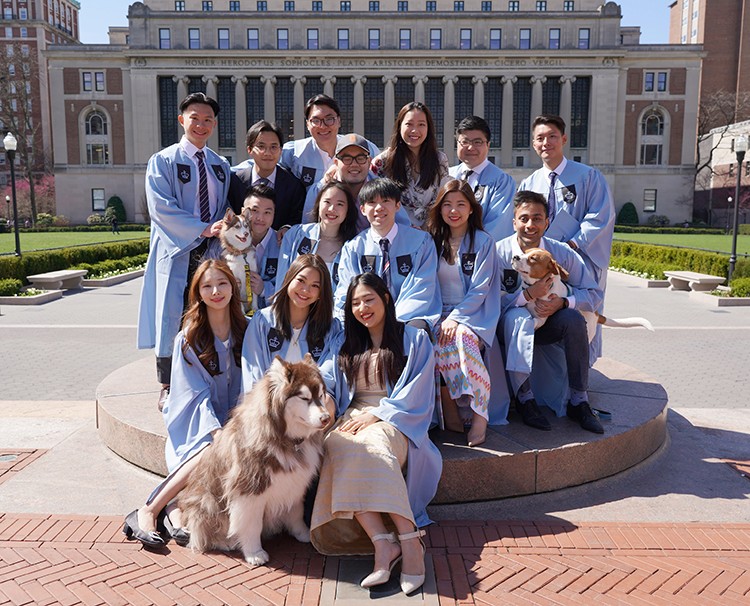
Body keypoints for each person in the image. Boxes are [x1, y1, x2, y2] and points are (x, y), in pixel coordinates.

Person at [311, 273, 441, 596]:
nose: (362, 308)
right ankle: (384, 544)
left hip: (396, 418)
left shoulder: (413, 339)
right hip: (352, 414)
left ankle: (410, 543)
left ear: (385, 297)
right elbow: (327, 382)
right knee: (338, 444)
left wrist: (378, 414)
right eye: (355, 303)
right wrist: (326, 405)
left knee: (375, 443)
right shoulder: (346, 343)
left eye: (368, 299)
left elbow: (418, 393)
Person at [124, 259, 246, 547]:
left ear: (233, 287)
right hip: (196, 426)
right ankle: (149, 510)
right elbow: (193, 395)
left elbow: (253, 381)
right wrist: (217, 431)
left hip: (238, 424)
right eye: (207, 286)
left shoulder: (249, 331)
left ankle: (173, 510)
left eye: (222, 283)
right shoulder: (188, 339)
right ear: (198, 293)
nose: (216, 291)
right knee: (209, 449)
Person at [137, 92, 230, 410]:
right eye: (195, 118)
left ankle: (204, 375)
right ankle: (167, 383)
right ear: (182, 120)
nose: (201, 125)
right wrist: (200, 228)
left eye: (207, 120)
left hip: (211, 254)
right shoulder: (162, 161)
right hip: (177, 252)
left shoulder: (220, 166)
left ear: (214, 124)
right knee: (172, 318)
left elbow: (225, 207)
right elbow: (160, 209)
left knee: (209, 313)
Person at [495, 191, 604, 433]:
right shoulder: (498, 253)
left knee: (574, 319)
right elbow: (486, 303)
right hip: (508, 328)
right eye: (524, 218)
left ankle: (579, 400)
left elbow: (594, 293)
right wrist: (526, 295)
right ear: (514, 222)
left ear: (547, 222)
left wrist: (563, 303)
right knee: (517, 318)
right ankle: (525, 399)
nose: (530, 225)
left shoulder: (561, 253)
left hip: (548, 325)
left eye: (537, 218)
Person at [518, 115, 615, 364]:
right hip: (542, 263)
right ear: (533, 143)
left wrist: (572, 244)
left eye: (552, 136)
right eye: (540, 138)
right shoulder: (530, 182)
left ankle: (581, 372)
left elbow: (599, 216)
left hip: (580, 257)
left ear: (563, 139)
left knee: (581, 313)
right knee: (543, 310)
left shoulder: (588, 176)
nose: (546, 142)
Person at [425, 179, 500, 447]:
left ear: (471, 209)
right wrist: (441, 318)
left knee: (462, 338)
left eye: (460, 204)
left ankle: (480, 412)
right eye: (447, 204)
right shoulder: (431, 241)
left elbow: (480, 289)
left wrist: (456, 318)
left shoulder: (483, 242)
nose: (453, 210)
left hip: (473, 313)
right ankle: (451, 407)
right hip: (436, 311)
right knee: (429, 339)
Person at [334, 178, 441, 333]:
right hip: (366, 319)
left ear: (397, 205)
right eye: (371, 202)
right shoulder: (354, 248)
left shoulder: (421, 242)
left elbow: (422, 287)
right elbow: (346, 290)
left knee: (413, 333)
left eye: (385, 201)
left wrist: (391, 321)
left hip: (409, 319)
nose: (379, 208)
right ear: (362, 209)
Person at [241, 253, 341, 392]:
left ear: (321, 294)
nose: (306, 290)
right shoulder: (262, 321)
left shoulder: (330, 329)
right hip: (267, 405)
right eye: (301, 280)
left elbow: (329, 377)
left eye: (315, 286)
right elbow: (253, 374)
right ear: (289, 278)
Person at [372, 102, 449, 228]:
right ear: (399, 126)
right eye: (409, 124)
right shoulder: (382, 162)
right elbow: (374, 200)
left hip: (430, 232)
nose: (415, 130)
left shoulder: (440, 160)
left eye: (421, 125)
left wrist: (424, 229)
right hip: (395, 230)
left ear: (428, 128)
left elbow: (442, 198)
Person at [280, 94, 379, 189]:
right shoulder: (292, 153)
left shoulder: (365, 148)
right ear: (307, 125)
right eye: (316, 120)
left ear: (339, 121)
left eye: (329, 119)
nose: (323, 126)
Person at [277, 181, 359, 292]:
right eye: (327, 202)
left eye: (339, 204)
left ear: (348, 210)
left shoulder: (353, 247)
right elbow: (282, 280)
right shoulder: (297, 234)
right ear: (318, 204)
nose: (331, 209)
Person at [228, 120, 306, 233]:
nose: (267, 153)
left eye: (274, 147)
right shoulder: (235, 182)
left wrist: (286, 228)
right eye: (261, 146)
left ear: (280, 151)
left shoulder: (293, 185)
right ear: (249, 149)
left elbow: (296, 219)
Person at [448, 116, 517, 241]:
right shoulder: (446, 176)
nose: (470, 147)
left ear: (488, 145)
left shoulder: (502, 182)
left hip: (481, 253)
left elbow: (497, 226)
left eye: (477, 142)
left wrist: (466, 248)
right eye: (465, 142)